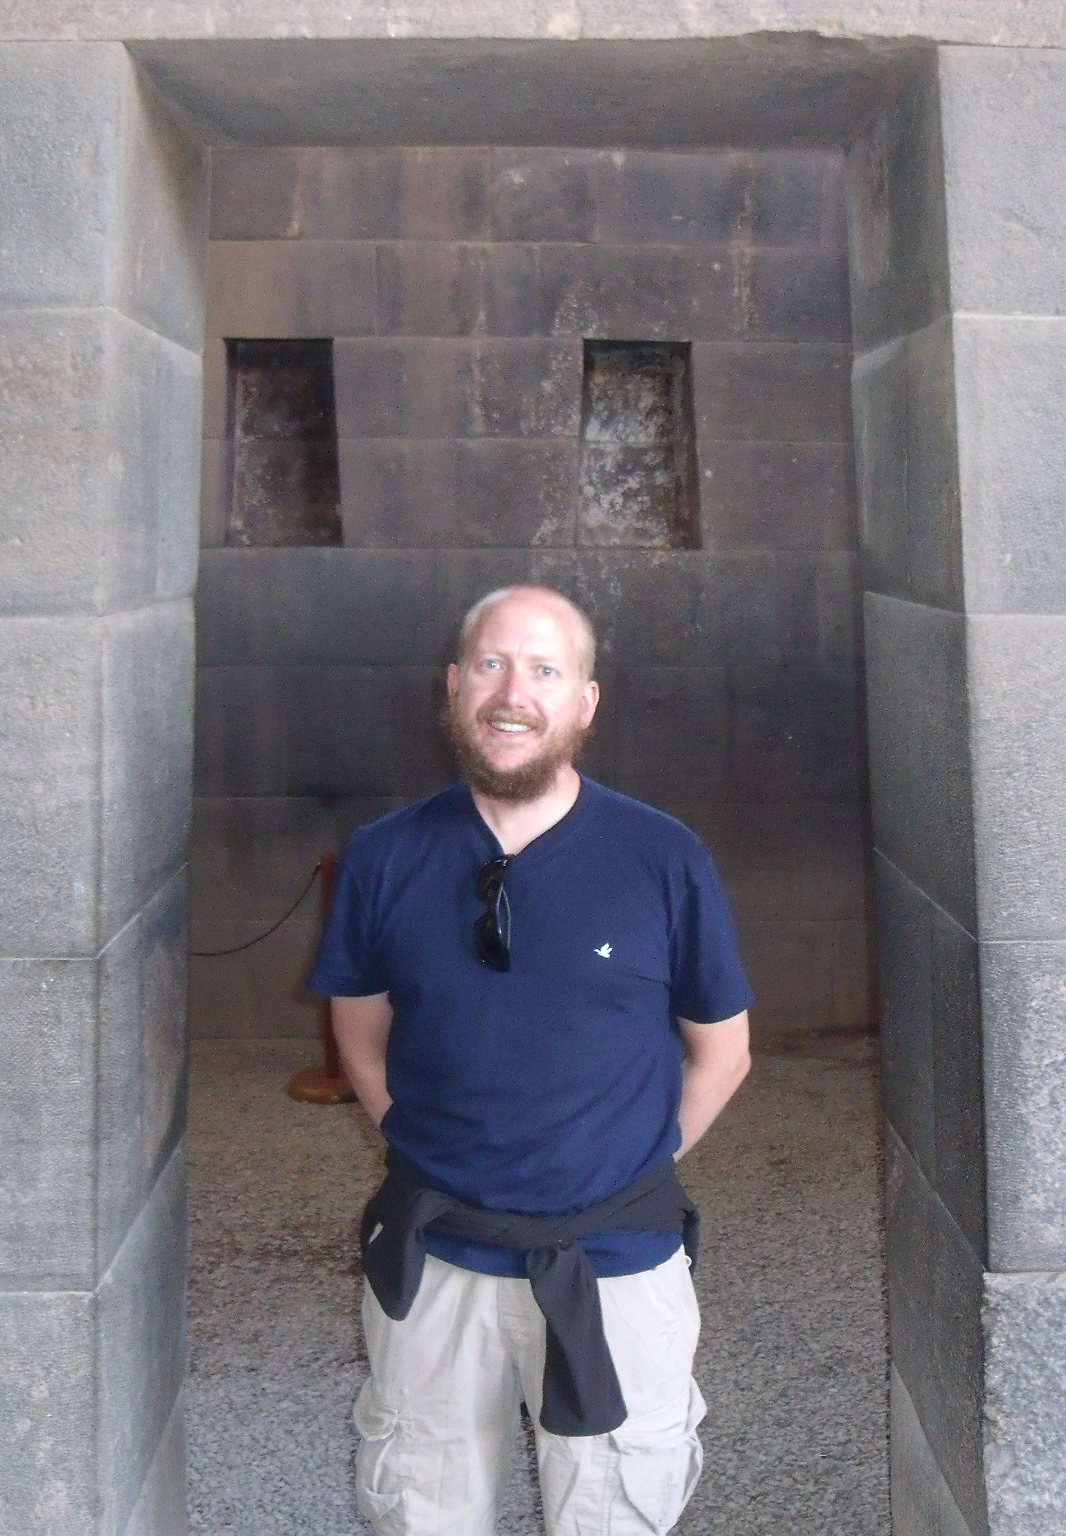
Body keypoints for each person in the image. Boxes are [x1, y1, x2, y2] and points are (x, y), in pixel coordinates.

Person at [309, 583, 755, 1536]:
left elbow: (724, 1051)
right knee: (421, 1509)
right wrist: (430, 1149)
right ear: (454, 686)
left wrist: (629, 1169)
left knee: (616, 1511)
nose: (514, 693)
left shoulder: (664, 858)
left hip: (615, 1266)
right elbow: (359, 1032)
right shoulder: (384, 856)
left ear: (585, 702)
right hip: (436, 1262)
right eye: (492, 664)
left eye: (545, 670)